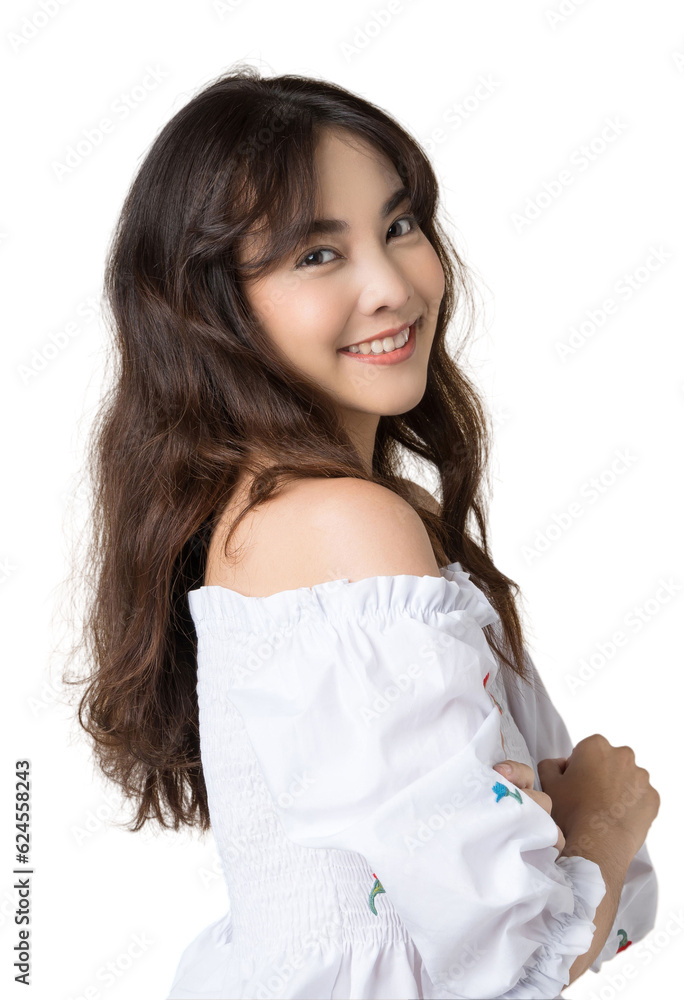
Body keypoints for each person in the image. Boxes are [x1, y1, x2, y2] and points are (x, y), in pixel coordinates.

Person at [67, 65, 659, 999]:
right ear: (212, 305)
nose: (392, 286)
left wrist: (564, 846)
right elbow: (512, 957)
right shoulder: (342, 526)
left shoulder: (293, 513)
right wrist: (605, 826)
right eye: (316, 254)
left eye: (398, 226)